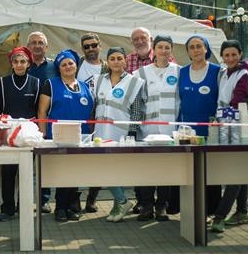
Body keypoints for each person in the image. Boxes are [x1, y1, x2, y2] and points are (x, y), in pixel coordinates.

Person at [37, 49, 94, 222]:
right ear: (59, 68)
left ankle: (71, 207)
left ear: (76, 65)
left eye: (70, 63)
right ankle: (60, 208)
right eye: (64, 64)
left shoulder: (85, 86)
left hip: (81, 137)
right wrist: (42, 135)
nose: (68, 66)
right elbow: (42, 111)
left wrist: (90, 136)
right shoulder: (51, 84)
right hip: (58, 138)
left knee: (75, 172)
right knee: (63, 173)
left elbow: (90, 114)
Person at [94, 47, 145, 222]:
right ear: (107, 61)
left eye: (119, 58)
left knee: (116, 170)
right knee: (103, 168)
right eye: (112, 58)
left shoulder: (134, 82)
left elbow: (137, 110)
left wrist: (132, 132)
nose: (116, 61)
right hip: (100, 133)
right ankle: (122, 201)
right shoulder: (99, 80)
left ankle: (119, 205)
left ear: (125, 61)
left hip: (121, 133)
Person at [211, 40, 248, 233]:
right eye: (226, 55)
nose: (230, 58)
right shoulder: (225, 73)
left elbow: (238, 102)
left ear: (240, 53)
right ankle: (242, 212)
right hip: (226, 128)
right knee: (240, 170)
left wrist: (222, 117)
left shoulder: (244, 74)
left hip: (239, 130)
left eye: (233, 55)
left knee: (234, 172)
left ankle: (220, 216)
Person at [134, 35, 180, 222]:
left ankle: (161, 206)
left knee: (165, 171)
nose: (163, 50)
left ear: (171, 50)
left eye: (167, 47)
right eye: (160, 47)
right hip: (148, 131)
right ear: (154, 48)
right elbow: (137, 103)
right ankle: (146, 206)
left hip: (171, 131)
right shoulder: (141, 73)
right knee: (147, 170)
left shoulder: (179, 71)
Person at [0, 46, 40, 222]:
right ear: (11, 64)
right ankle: (8, 208)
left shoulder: (35, 82)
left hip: (27, 134)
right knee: (8, 173)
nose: (19, 65)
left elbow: (37, 109)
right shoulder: (3, 82)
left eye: (23, 61)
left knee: (27, 172)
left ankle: (25, 206)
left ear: (28, 63)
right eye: (16, 61)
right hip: (9, 133)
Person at [177, 35, 221, 216]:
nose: (196, 50)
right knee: (189, 173)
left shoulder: (217, 71)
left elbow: (221, 100)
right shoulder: (182, 72)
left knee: (211, 173)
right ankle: (190, 210)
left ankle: (211, 211)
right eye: (192, 47)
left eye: (199, 46)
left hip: (209, 131)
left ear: (206, 49)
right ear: (187, 52)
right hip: (187, 132)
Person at [75, 32, 108, 213]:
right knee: (78, 161)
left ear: (99, 46)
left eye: (94, 45)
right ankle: (75, 199)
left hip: (101, 118)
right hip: (80, 117)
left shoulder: (107, 66)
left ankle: (92, 199)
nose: (90, 49)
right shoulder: (77, 64)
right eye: (86, 46)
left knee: (98, 160)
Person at [26, 30, 57, 214]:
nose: (37, 45)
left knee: (45, 164)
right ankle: (24, 200)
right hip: (27, 121)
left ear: (46, 47)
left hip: (48, 120)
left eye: (40, 43)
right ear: (28, 46)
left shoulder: (54, 67)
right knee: (26, 163)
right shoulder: (22, 64)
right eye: (33, 42)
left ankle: (44, 200)